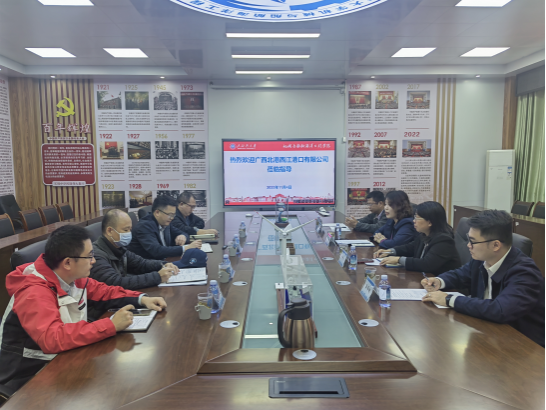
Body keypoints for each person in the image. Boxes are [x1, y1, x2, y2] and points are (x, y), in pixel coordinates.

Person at [0, 225, 167, 391]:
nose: (93, 261)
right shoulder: (34, 292)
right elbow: (53, 339)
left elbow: (104, 291)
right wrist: (110, 325)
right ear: (67, 263)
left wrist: (142, 299)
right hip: (27, 372)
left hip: (61, 356)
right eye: (89, 256)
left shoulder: (72, 276)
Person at [421, 210, 545, 347]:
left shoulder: (525, 273)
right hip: (488, 332)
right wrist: (439, 281)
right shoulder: (482, 259)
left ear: (496, 245)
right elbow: (460, 274)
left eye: (473, 241)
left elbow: (500, 310)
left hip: (524, 345)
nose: (468, 245)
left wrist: (449, 299)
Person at [91, 209, 180, 290]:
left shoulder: (119, 248)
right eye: (125, 230)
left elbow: (142, 264)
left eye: (130, 229)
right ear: (110, 231)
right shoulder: (96, 255)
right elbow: (116, 283)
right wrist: (157, 277)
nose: (129, 233)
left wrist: (163, 264)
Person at [375, 201, 461, 274]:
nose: (414, 221)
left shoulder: (444, 241)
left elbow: (426, 264)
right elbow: (410, 247)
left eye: (417, 218)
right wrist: (390, 251)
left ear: (430, 222)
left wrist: (399, 260)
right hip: (425, 279)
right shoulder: (425, 234)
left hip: (441, 284)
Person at [128, 195, 203, 261]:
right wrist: (186, 248)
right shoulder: (144, 226)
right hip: (148, 266)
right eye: (170, 215)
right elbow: (157, 251)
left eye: (173, 215)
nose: (172, 218)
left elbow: (183, 233)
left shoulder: (165, 222)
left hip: (164, 261)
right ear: (157, 213)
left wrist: (182, 236)